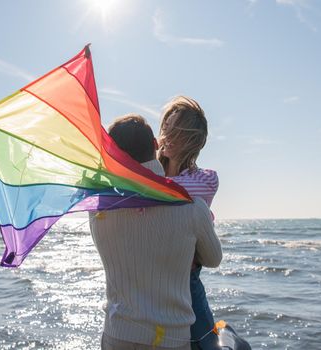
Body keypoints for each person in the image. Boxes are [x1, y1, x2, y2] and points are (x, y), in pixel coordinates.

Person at [90, 114, 223, 350]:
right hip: (169, 339)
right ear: (155, 145)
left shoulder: (98, 206)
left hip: (117, 334)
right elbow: (213, 259)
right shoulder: (192, 207)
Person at [158, 96, 220, 350]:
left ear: (193, 141)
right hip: (154, 271)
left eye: (178, 133)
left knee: (205, 341)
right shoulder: (149, 174)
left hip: (187, 273)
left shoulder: (206, 181)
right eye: (167, 128)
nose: (169, 137)